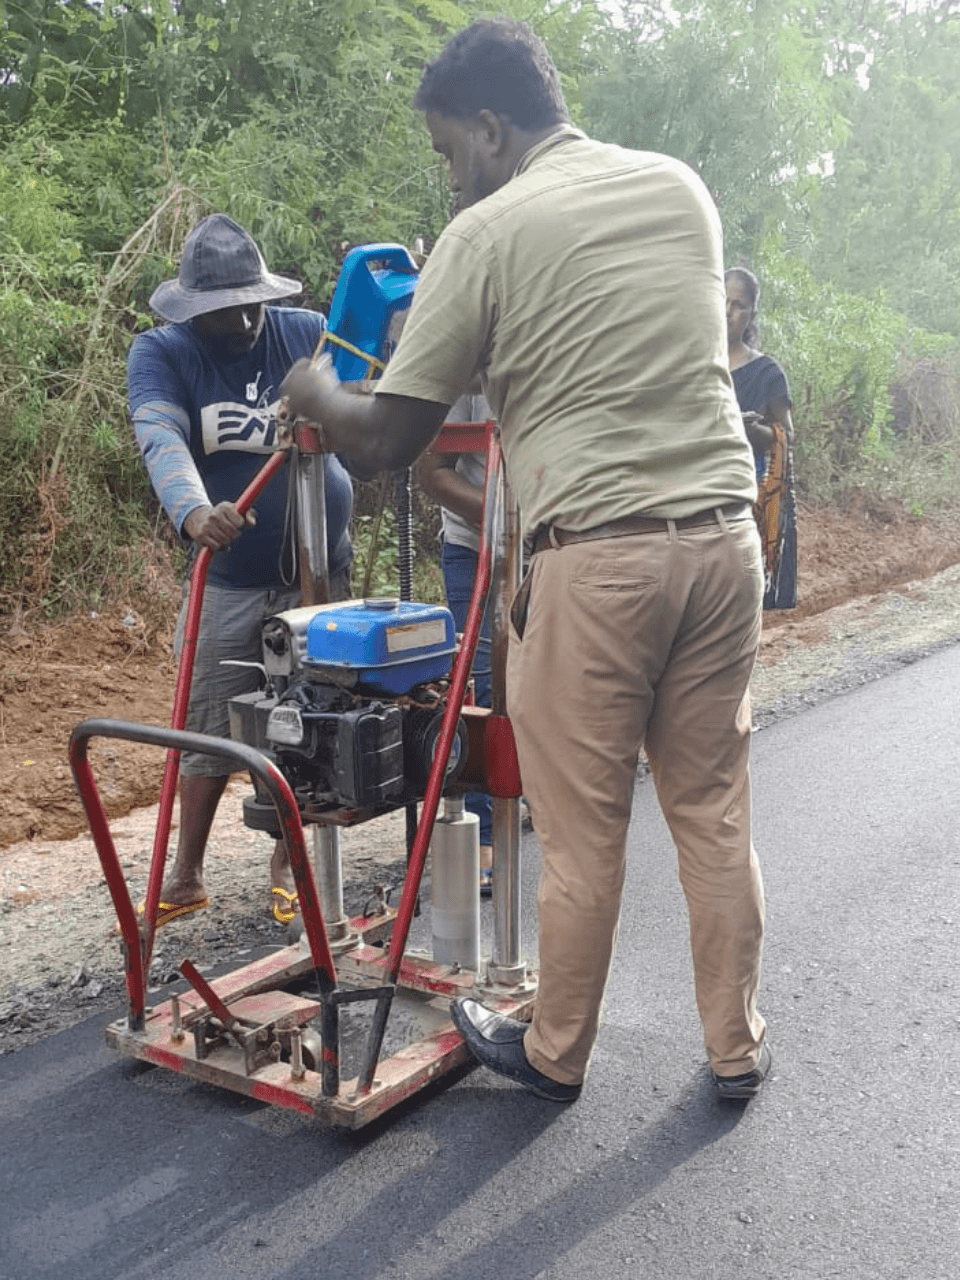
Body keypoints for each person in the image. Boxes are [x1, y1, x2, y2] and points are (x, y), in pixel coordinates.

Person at [281, 19, 769, 1104]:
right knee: (713, 811)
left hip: (598, 562)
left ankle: (555, 1053)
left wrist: (314, 389)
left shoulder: (489, 230)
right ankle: (736, 1048)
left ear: (493, 128)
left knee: (585, 834)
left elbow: (389, 436)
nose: (453, 180)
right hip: (723, 543)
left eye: (452, 152)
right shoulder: (679, 188)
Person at [127, 213, 353, 928]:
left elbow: (362, 401)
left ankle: (288, 863)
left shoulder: (305, 332)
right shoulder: (163, 352)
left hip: (319, 574)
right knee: (206, 724)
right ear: (195, 310)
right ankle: (187, 873)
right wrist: (195, 511)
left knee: (310, 722)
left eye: (255, 302)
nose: (248, 319)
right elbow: (160, 435)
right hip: (228, 578)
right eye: (228, 310)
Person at [417, 391, 496, 895]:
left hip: (558, 538)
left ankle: (541, 798)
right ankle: (481, 831)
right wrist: (503, 516)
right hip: (475, 541)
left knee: (555, 680)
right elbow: (433, 471)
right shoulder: (470, 371)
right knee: (478, 684)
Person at [726, 266, 798, 609]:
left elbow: (787, 435)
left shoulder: (767, 373)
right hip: (693, 496)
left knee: (741, 598)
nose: (728, 312)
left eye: (738, 305)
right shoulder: (693, 363)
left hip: (745, 502)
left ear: (752, 313)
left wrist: (754, 431)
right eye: (722, 301)